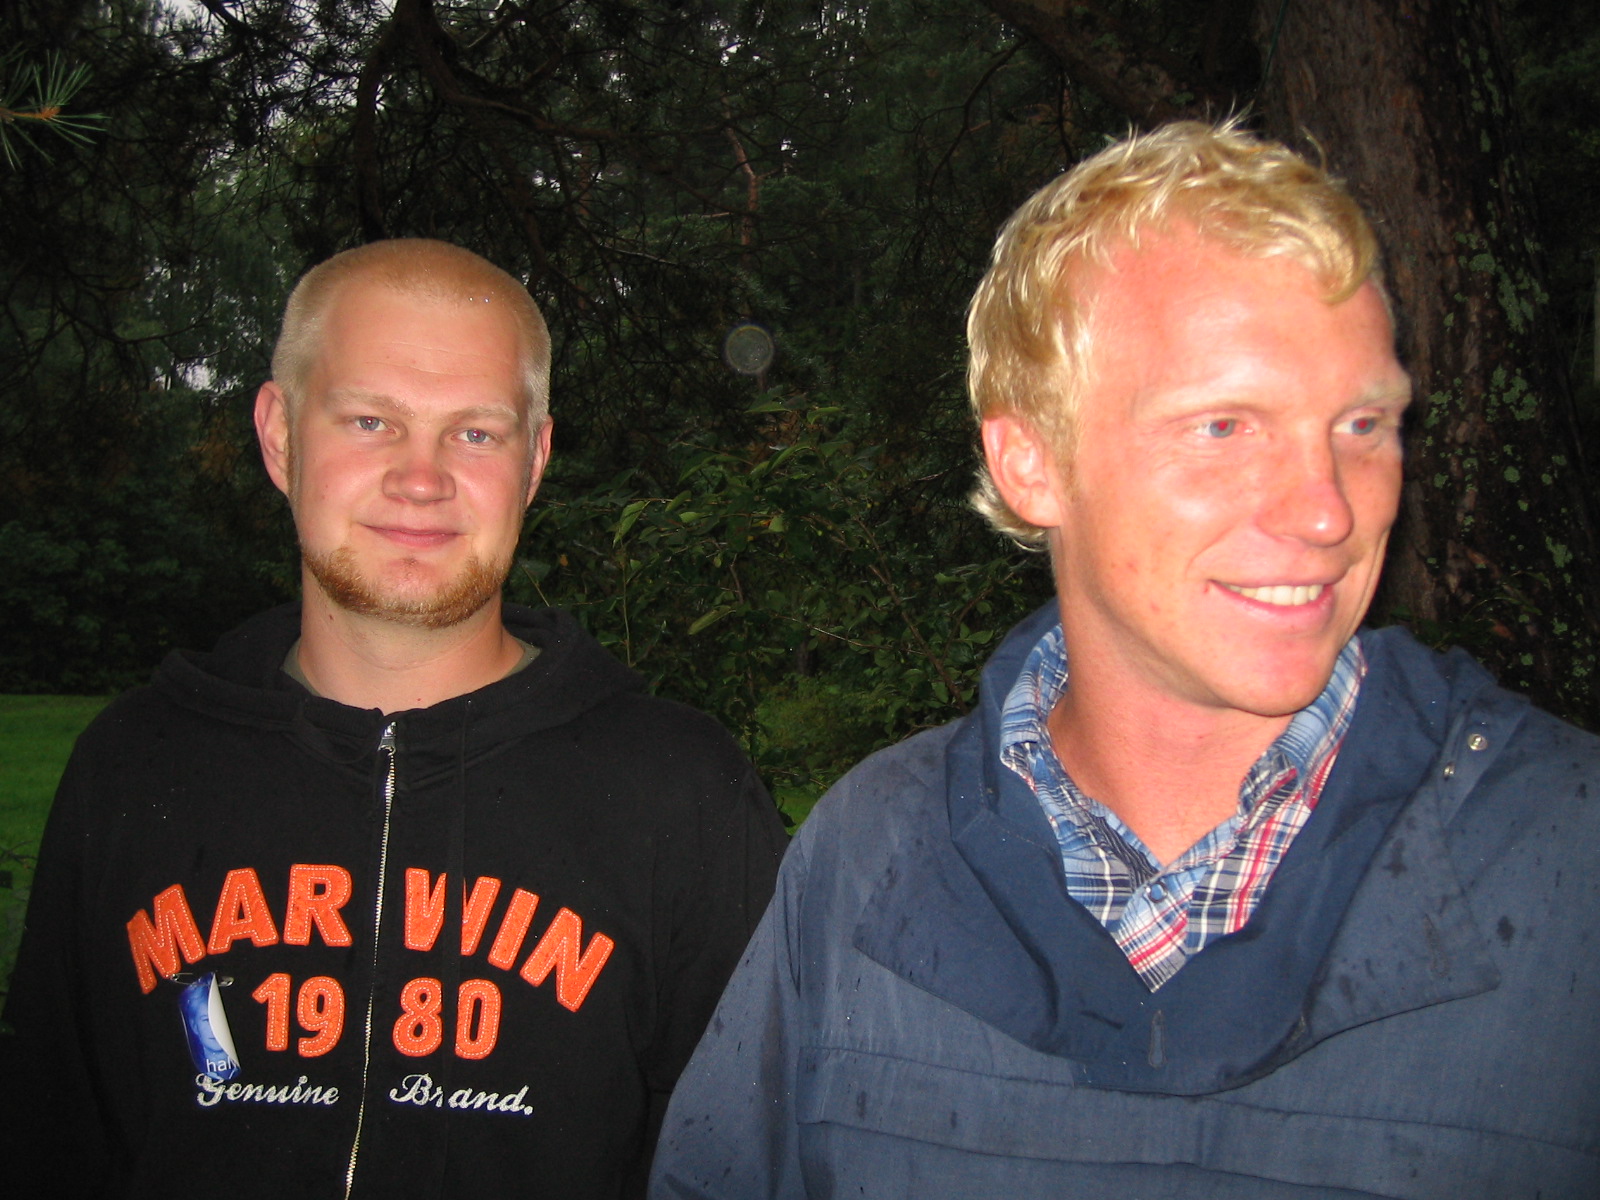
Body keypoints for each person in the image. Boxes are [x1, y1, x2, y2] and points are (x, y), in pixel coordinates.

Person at [649, 123, 1600, 1198]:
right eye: (1225, 426)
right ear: (1032, 464)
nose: (1328, 512)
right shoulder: (867, 859)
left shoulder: (1568, 860)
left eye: (1364, 423)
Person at [0, 238, 787, 1197]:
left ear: (535, 461)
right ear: (280, 435)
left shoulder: (682, 796)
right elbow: (50, 1142)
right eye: (371, 421)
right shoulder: (132, 769)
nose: (423, 478)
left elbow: (749, 1161)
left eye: (476, 433)